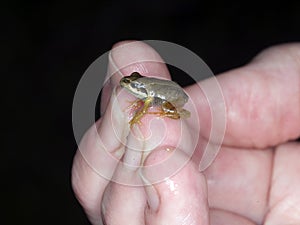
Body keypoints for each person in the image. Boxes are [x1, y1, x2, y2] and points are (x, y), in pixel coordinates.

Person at [71, 41, 300, 225]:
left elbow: (145, 107)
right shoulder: (145, 90)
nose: (130, 87)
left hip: (175, 101)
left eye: (134, 85)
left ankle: (166, 116)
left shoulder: (147, 94)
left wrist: (141, 114)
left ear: (140, 86)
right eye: (131, 84)